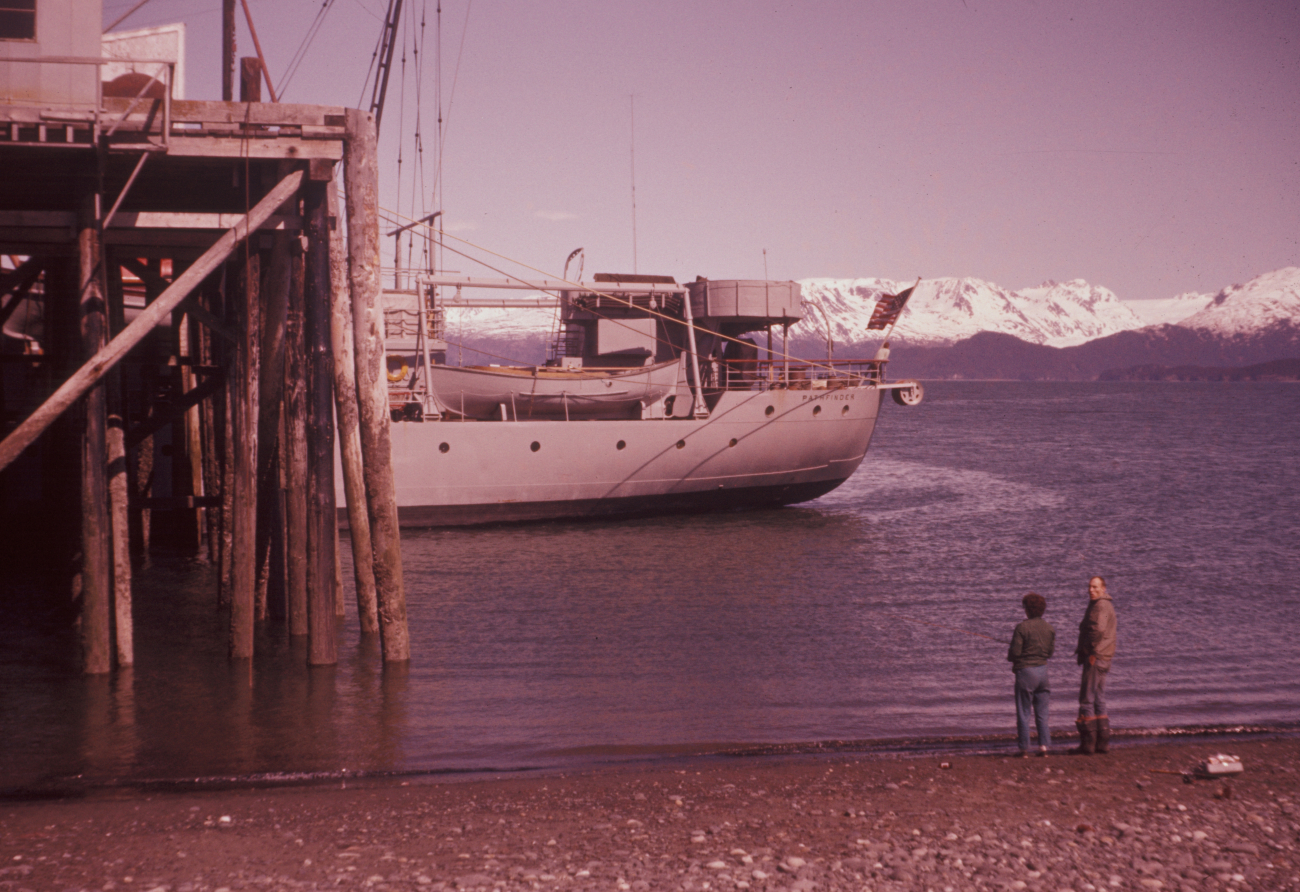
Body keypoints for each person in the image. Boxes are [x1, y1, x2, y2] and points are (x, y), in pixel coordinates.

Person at [1007, 592, 1055, 757]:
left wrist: (1010, 655)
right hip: (1043, 672)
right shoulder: (1049, 628)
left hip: (1026, 673)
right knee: (1042, 713)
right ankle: (1044, 747)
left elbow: (1014, 652)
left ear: (1027, 610)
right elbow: (1049, 652)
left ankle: (1024, 749)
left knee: (1024, 711)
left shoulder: (1022, 627)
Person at [1074, 575, 1117, 754]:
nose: (1091, 590)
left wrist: (1088, 649)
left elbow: (1098, 630)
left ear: (1104, 588)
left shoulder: (1101, 605)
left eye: (1095, 587)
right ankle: (1102, 743)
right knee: (1099, 699)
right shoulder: (1101, 604)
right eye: (1090, 587)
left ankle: (1088, 744)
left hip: (1096, 656)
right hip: (1104, 656)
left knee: (1087, 699)